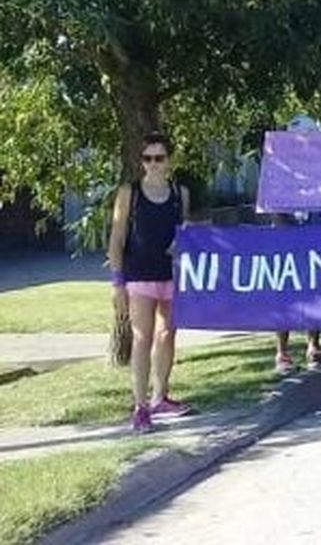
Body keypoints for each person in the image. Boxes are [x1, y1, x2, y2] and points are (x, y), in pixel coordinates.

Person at [107, 132, 193, 433]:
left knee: (167, 334)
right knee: (142, 338)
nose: (153, 164)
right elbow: (116, 239)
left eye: (159, 158)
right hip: (138, 274)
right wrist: (117, 282)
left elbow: (185, 233)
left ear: (169, 160)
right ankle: (140, 406)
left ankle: (161, 396)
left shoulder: (179, 193)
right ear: (141, 161)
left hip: (171, 274)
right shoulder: (129, 192)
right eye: (148, 158)